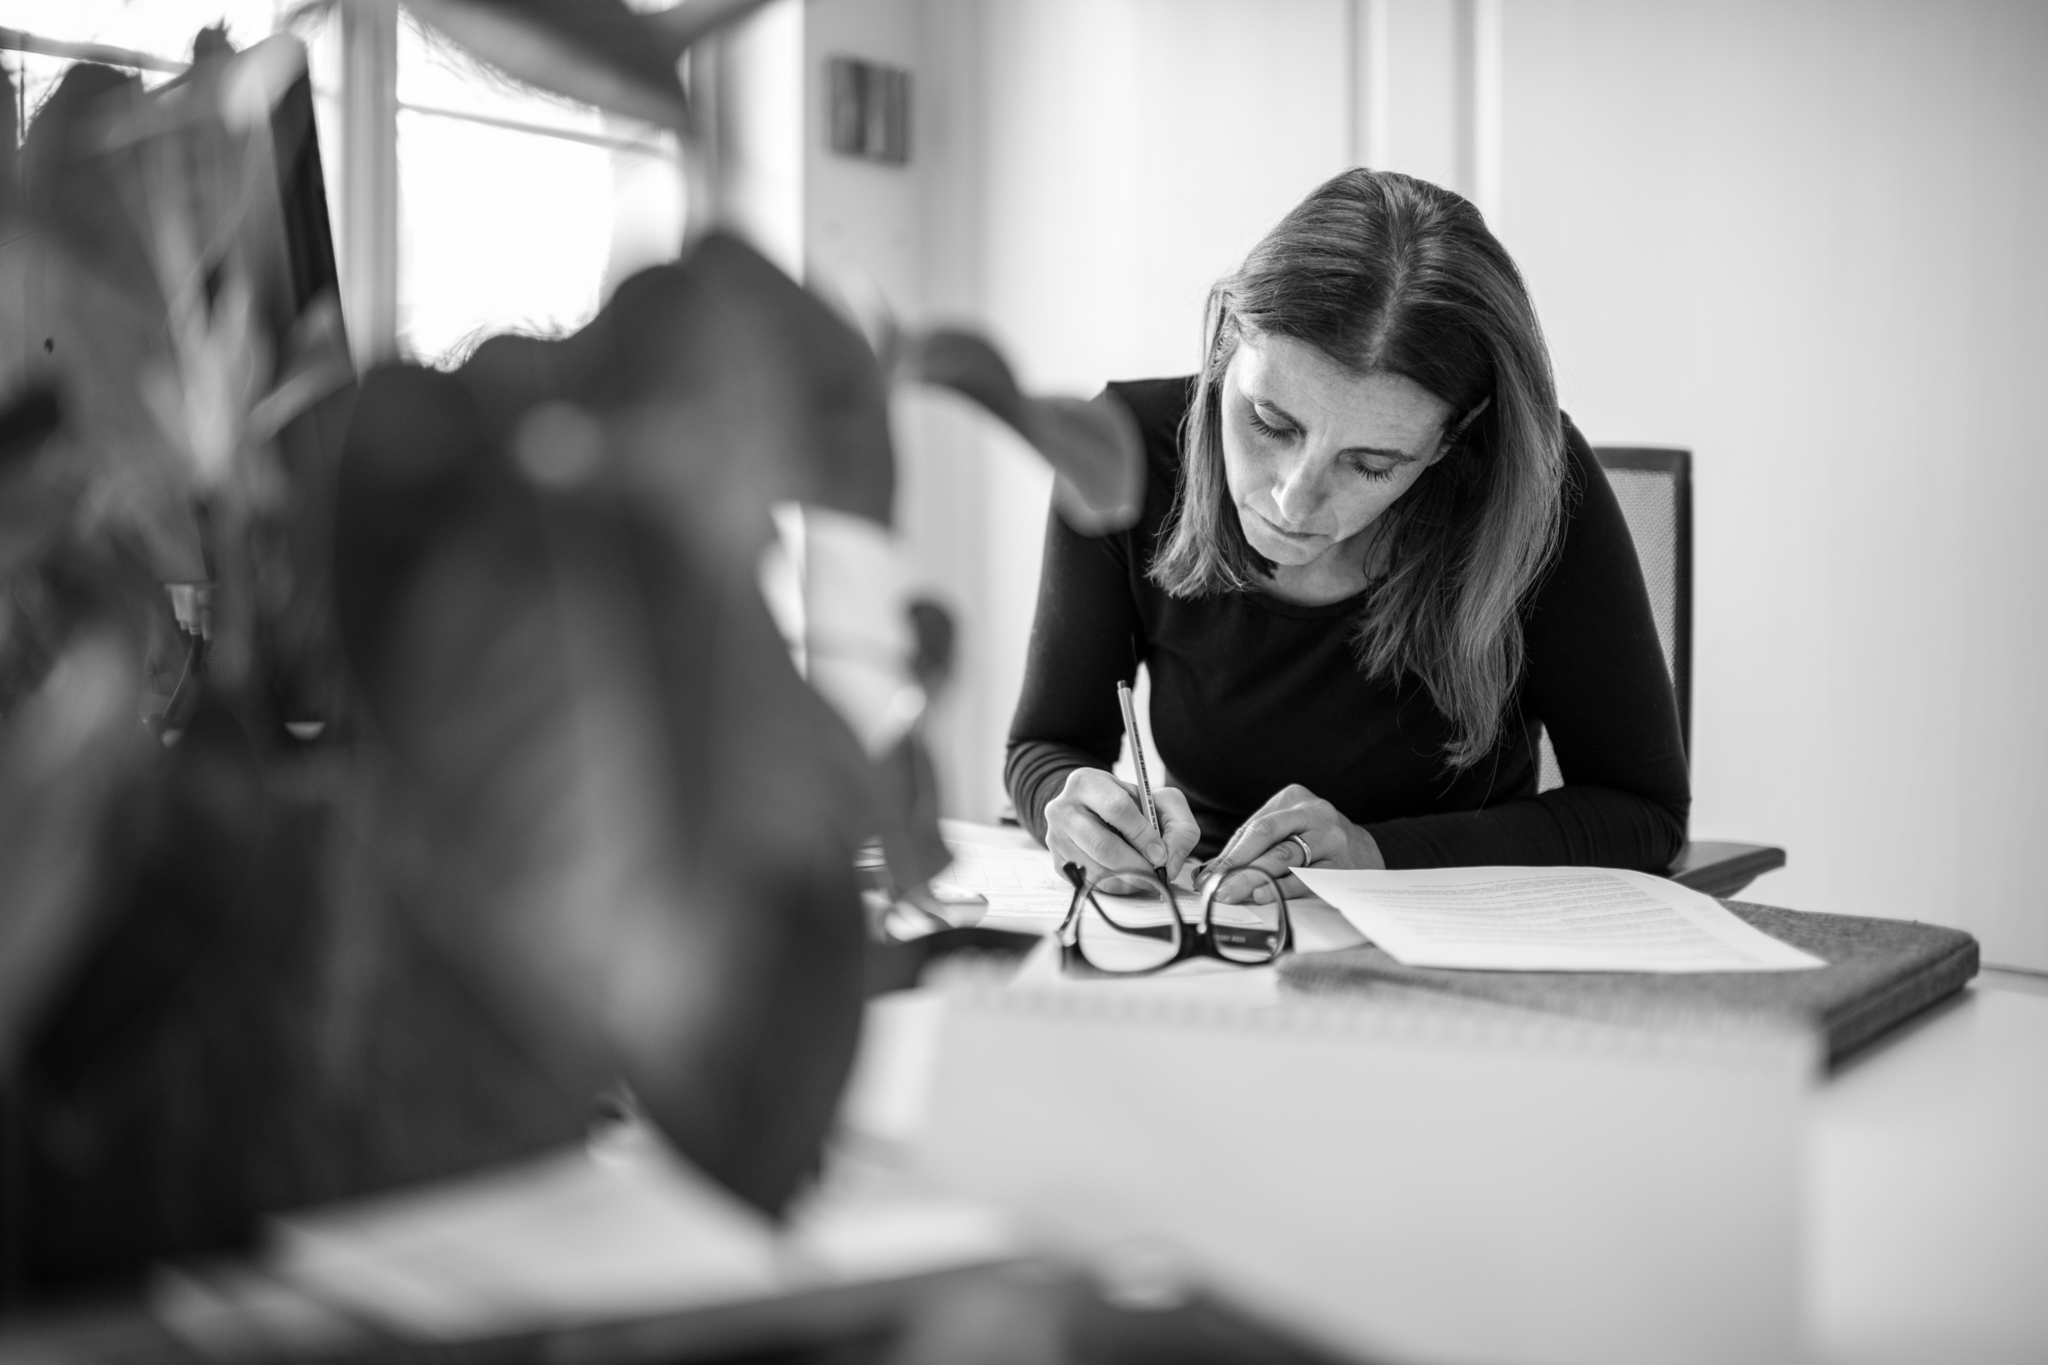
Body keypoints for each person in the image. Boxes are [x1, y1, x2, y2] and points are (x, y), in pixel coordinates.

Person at [1005, 168, 1689, 903]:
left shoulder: (1537, 490)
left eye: (1371, 464)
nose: (1293, 500)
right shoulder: (1119, 454)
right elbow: (1045, 744)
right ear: (1230, 341)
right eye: (1270, 421)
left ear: (1451, 441)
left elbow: (1642, 812)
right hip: (1206, 931)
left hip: (1449, 945)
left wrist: (1379, 855)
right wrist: (1068, 809)